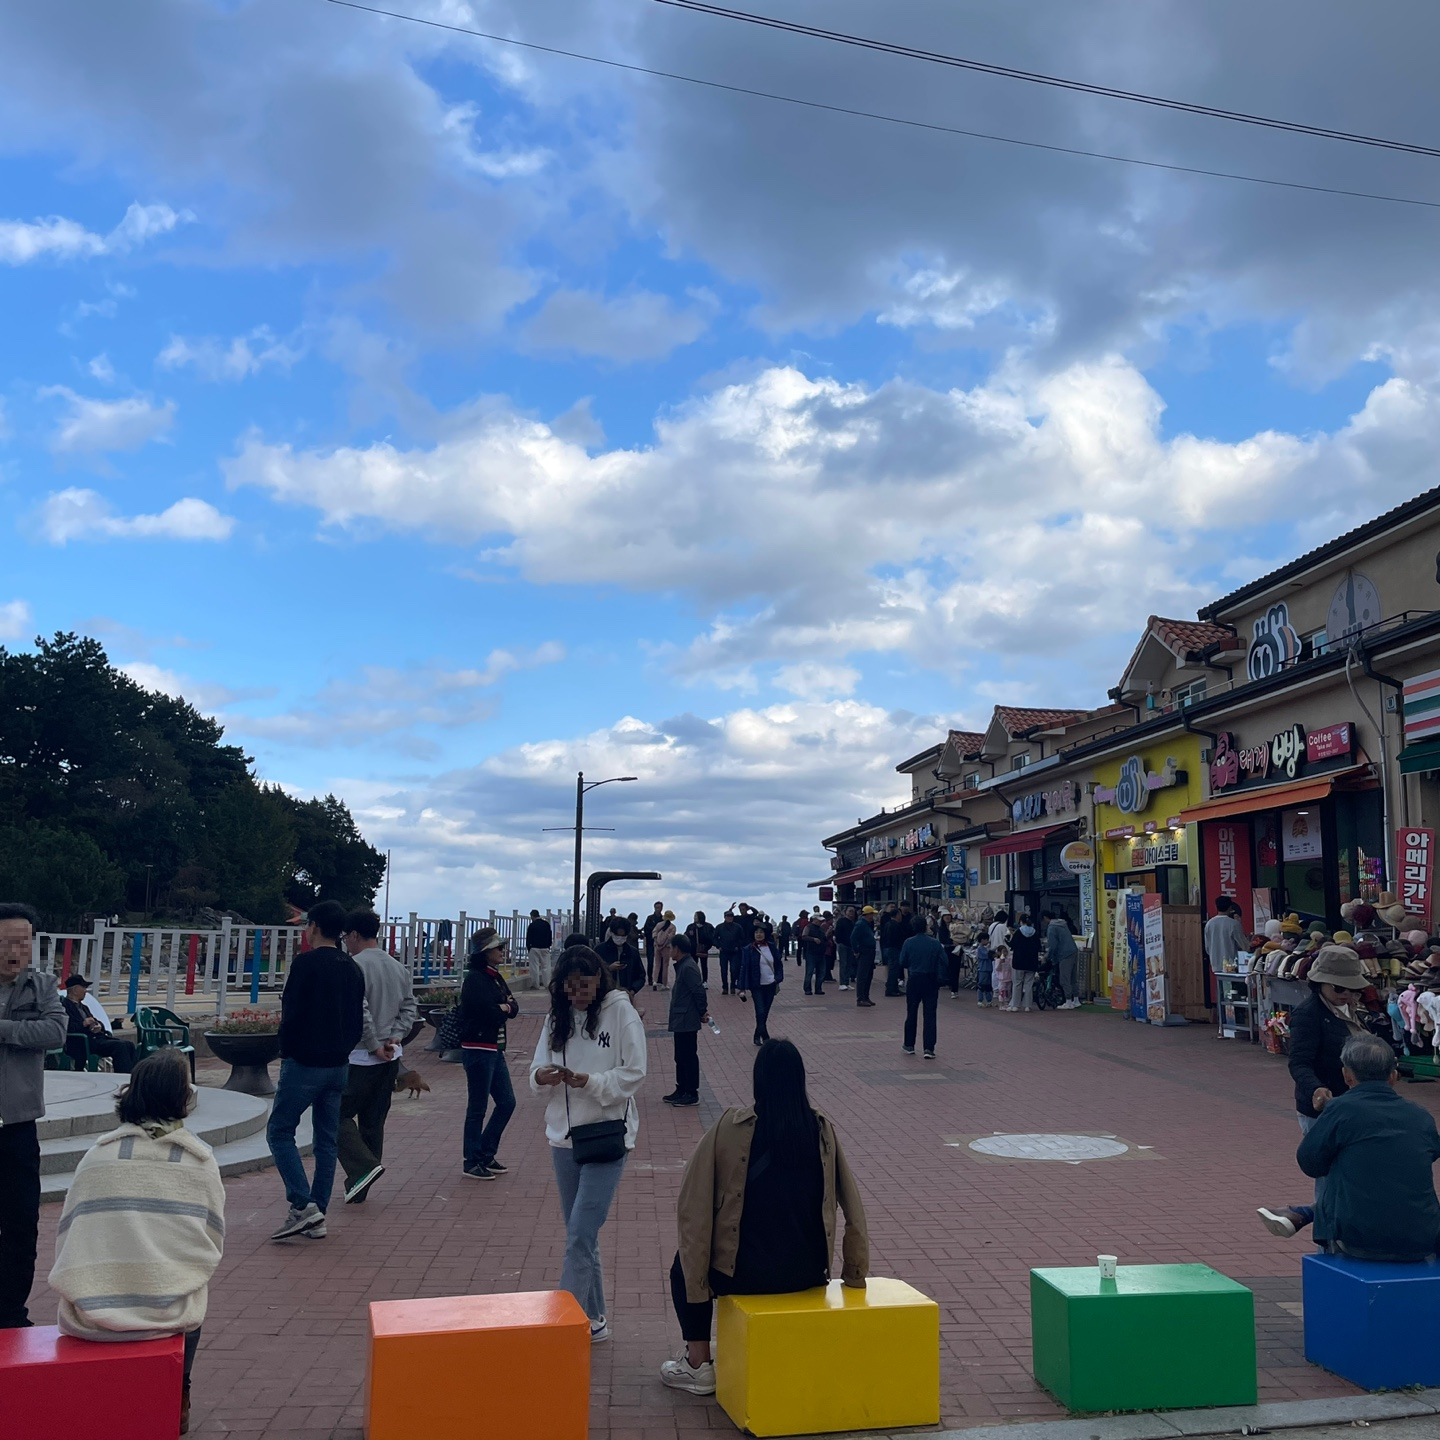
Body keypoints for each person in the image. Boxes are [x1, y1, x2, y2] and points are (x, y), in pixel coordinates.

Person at [661, 1039, 870, 1394]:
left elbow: (693, 1208)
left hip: (742, 1275)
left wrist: (697, 1278)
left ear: (757, 1080)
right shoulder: (821, 1132)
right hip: (807, 1274)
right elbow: (854, 1207)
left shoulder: (729, 1128)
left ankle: (698, 1364)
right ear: (800, 1081)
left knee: (682, 1268)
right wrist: (854, 1273)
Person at [48, 1050, 223, 1434]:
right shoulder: (198, 1161)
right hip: (167, 1315)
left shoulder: (97, 1156)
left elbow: (70, 1233)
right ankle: (180, 1392)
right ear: (181, 1097)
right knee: (192, 1287)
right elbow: (210, 1241)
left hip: (91, 1314)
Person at [530, 946, 647, 1342]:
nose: (577, 994)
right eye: (569, 986)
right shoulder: (556, 1017)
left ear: (600, 980)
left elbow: (635, 1073)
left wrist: (591, 1082)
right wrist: (542, 1077)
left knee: (581, 1232)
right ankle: (594, 1318)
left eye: (584, 985)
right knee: (580, 1234)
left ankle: (562, 1327)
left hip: (607, 1136)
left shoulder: (621, 1011)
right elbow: (536, 1068)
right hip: (564, 1138)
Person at [1259, 1034, 1440, 1261]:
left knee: (1344, 1169)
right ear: (1393, 1076)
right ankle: (1303, 1213)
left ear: (1346, 1075)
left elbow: (1310, 1163)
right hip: (1423, 1236)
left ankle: (1305, 1213)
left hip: (1360, 1237)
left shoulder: (1340, 1109)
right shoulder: (1420, 1115)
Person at [266, 899, 366, 1242]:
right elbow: (357, 1019)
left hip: (304, 1063)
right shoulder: (352, 967)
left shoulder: (305, 964)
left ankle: (302, 1204)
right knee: (326, 1139)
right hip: (338, 1064)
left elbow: (292, 1013)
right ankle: (317, 1212)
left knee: (280, 1131)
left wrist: (286, 1050)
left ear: (315, 927)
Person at [0, 902, 68, 1328]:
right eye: (7, 942)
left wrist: (4, 1030)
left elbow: (55, 1032)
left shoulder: (42, 986)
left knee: (21, 1224)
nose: (15, 951)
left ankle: (11, 1313)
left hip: (17, 1126)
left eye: (23, 942)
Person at [336, 910, 417, 1204]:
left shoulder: (354, 966)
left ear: (355, 935)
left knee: (334, 1114)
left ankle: (362, 1169)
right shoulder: (397, 967)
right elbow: (410, 1007)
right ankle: (361, 1186)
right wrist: (395, 1036)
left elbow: (360, 1011)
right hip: (390, 1056)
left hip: (359, 1056)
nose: (345, 942)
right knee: (373, 1121)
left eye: (346, 937)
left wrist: (373, 1045)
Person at [458, 927, 520, 1179]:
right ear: (484, 952)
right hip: (478, 1049)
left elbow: (514, 1007)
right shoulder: (475, 979)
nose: (502, 952)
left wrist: (504, 1007)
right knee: (478, 1107)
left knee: (507, 1102)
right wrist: (503, 1007)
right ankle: (471, 1160)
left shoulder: (495, 977)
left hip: (495, 1049)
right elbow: (488, 1012)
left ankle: (485, 1152)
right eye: (498, 948)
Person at [59, 973, 137, 1072]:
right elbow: (65, 1027)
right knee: (120, 1046)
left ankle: (134, 1074)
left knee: (129, 1045)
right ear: (75, 990)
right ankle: (124, 1076)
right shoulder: (64, 1006)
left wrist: (99, 1026)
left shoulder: (84, 1007)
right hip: (81, 1042)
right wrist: (83, 1024)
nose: (85, 991)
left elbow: (95, 1020)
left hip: (94, 1039)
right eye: (84, 987)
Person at [665, 935, 707, 1107]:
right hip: (681, 1018)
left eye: (671, 948)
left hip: (686, 1019)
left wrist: (703, 1011)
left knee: (688, 1056)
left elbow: (698, 991)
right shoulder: (683, 965)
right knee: (680, 1056)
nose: (669, 951)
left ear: (677, 949)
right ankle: (681, 1088)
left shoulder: (688, 967)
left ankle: (691, 1092)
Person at [899, 919, 946, 1058]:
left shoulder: (908, 942)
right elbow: (944, 960)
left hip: (914, 978)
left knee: (911, 1012)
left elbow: (902, 961)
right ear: (926, 927)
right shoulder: (935, 943)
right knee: (930, 1014)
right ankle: (929, 1048)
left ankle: (909, 1044)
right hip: (931, 979)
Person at [738, 922, 782, 1045]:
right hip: (756, 985)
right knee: (760, 1011)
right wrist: (741, 987)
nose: (758, 934)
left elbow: (778, 964)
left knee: (765, 1013)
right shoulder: (749, 949)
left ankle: (757, 1035)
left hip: (770, 984)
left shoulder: (772, 947)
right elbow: (744, 968)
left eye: (761, 932)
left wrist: (778, 978)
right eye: (756, 932)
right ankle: (766, 1036)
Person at [597, 917, 646, 999]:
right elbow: (592, 973)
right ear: (611, 932)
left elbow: (641, 976)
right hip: (604, 995)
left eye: (623, 935)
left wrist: (633, 990)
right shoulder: (600, 950)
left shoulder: (632, 952)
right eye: (617, 935)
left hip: (626, 995)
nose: (620, 938)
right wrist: (609, 968)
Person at [1204, 896, 1249, 978]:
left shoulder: (1209, 924)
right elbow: (1245, 946)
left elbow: (1207, 948)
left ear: (1216, 907)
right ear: (1230, 907)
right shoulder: (1234, 924)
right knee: (1232, 985)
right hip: (1231, 965)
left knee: (1221, 984)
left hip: (1215, 964)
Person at [1044, 911, 1081, 1009]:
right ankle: (1076, 1000)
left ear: (1045, 918)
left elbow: (1052, 945)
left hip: (1064, 954)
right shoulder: (1062, 924)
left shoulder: (1052, 927)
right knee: (1073, 977)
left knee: (1064, 978)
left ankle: (1068, 1001)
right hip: (1073, 950)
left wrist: (1048, 957)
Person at [1007, 915, 1041, 1012]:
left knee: (1017, 983)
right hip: (1032, 962)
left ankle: (1015, 1005)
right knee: (1029, 984)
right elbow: (1038, 946)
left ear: (1021, 922)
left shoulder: (1018, 932)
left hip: (1019, 961)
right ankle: (1027, 1006)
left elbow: (1012, 945)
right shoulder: (1035, 932)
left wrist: (1008, 939)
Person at [850, 905, 878, 1007]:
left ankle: (866, 996)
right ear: (868, 914)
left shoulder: (867, 924)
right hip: (864, 951)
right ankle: (860, 998)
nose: (873, 916)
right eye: (872, 914)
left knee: (868, 975)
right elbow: (853, 938)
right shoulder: (860, 924)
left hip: (870, 952)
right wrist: (856, 950)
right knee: (862, 975)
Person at [715, 911, 745, 997]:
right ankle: (725, 987)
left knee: (734, 970)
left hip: (734, 952)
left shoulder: (738, 927)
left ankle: (732, 986)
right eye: (728, 916)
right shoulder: (719, 927)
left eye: (731, 916)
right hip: (724, 952)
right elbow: (714, 938)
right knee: (723, 970)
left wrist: (738, 946)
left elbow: (742, 938)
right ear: (724, 917)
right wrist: (718, 946)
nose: (730, 918)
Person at [880, 905, 907, 997]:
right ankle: (891, 989)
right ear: (897, 915)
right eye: (900, 915)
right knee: (893, 969)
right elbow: (896, 938)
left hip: (888, 949)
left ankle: (894, 988)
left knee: (893, 969)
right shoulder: (894, 925)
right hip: (893, 949)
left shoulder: (888, 924)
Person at [526, 909, 554, 991]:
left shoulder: (532, 925)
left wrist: (529, 948)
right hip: (545, 948)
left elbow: (528, 938)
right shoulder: (546, 924)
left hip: (534, 948)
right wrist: (548, 946)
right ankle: (547, 984)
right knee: (546, 967)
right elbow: (549, 936)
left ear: (532, 916)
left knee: (534, 967)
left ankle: (535, 985)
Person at [801, 913, 828, 997]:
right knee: (809, 971)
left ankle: (818, 988)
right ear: (815, 920)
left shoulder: (821, 929)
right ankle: (807, 989)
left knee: (821, 972)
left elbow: (824, 938)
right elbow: (804, 936)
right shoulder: (808, 927)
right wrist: (813, 939)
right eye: (819, 920)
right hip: (811, 953)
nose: (820, 922)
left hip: (821, 952)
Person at [686, 911, 715, 985]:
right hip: (693, 949)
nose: (694, 918)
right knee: (693, 965)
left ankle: (705, 981)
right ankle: (694, 980)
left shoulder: (708, 926)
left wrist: (707, 946)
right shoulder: (691, 927)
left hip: (703, 949)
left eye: (696, 916)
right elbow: (686, 936)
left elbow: (712, 937)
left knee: (704, 965)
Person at [652, 911, 677, 990]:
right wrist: (663, 945)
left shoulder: (659, 925)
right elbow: (670, 938)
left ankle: (654, 981)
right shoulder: (672, 927)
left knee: (657, 964)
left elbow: (654, 934)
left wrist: (657, 944)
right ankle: (664, 984)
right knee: (665, 965)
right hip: (666, 947)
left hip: (657, 946)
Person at [975, 935, 994, 1006]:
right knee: (982, 984)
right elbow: (987, 955)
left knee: (988, 985)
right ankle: (980, 1000)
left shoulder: (985, 948)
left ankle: (989, 1000)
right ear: (982, 940)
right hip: (983, 969)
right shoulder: (980, 948)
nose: (988, 941)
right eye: (987, 940)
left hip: (988, 968)